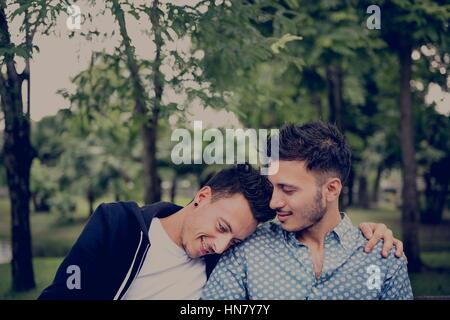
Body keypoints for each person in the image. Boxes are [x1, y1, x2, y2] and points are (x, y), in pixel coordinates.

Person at [202, 122, 412, 300]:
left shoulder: (383, 257)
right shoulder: (247, 249)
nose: (274, 202)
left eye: (287, 189)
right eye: (272, 187)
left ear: (331, 189)